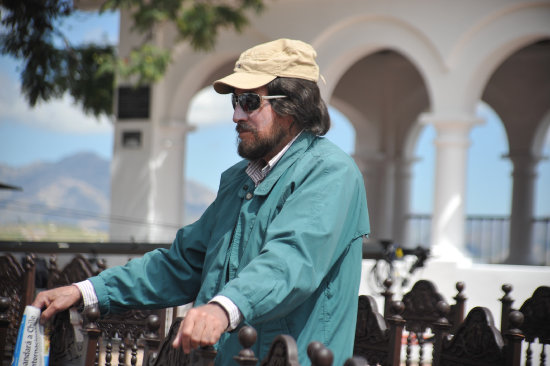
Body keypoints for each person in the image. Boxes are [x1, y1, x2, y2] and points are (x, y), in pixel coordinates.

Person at [32, 38, 370, 365]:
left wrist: (223, 308)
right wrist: (85, 290)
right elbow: (180, 264)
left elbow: (291, 262)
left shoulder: (330, 172)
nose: (237, 115)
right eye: (234, 102)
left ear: (292, 106)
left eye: (250, 102)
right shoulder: (240, 179)